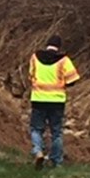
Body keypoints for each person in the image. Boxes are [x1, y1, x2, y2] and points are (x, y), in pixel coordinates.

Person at [28, 35, 81, 169]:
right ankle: (56, 161)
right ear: (59, 47)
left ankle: (38, 151)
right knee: (56, 132)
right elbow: (72, 80)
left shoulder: (35, 57)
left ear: (47, 44)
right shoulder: (63, 60)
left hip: (38, 99)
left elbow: (31, 76)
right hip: (57, 101)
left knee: (36, 129)